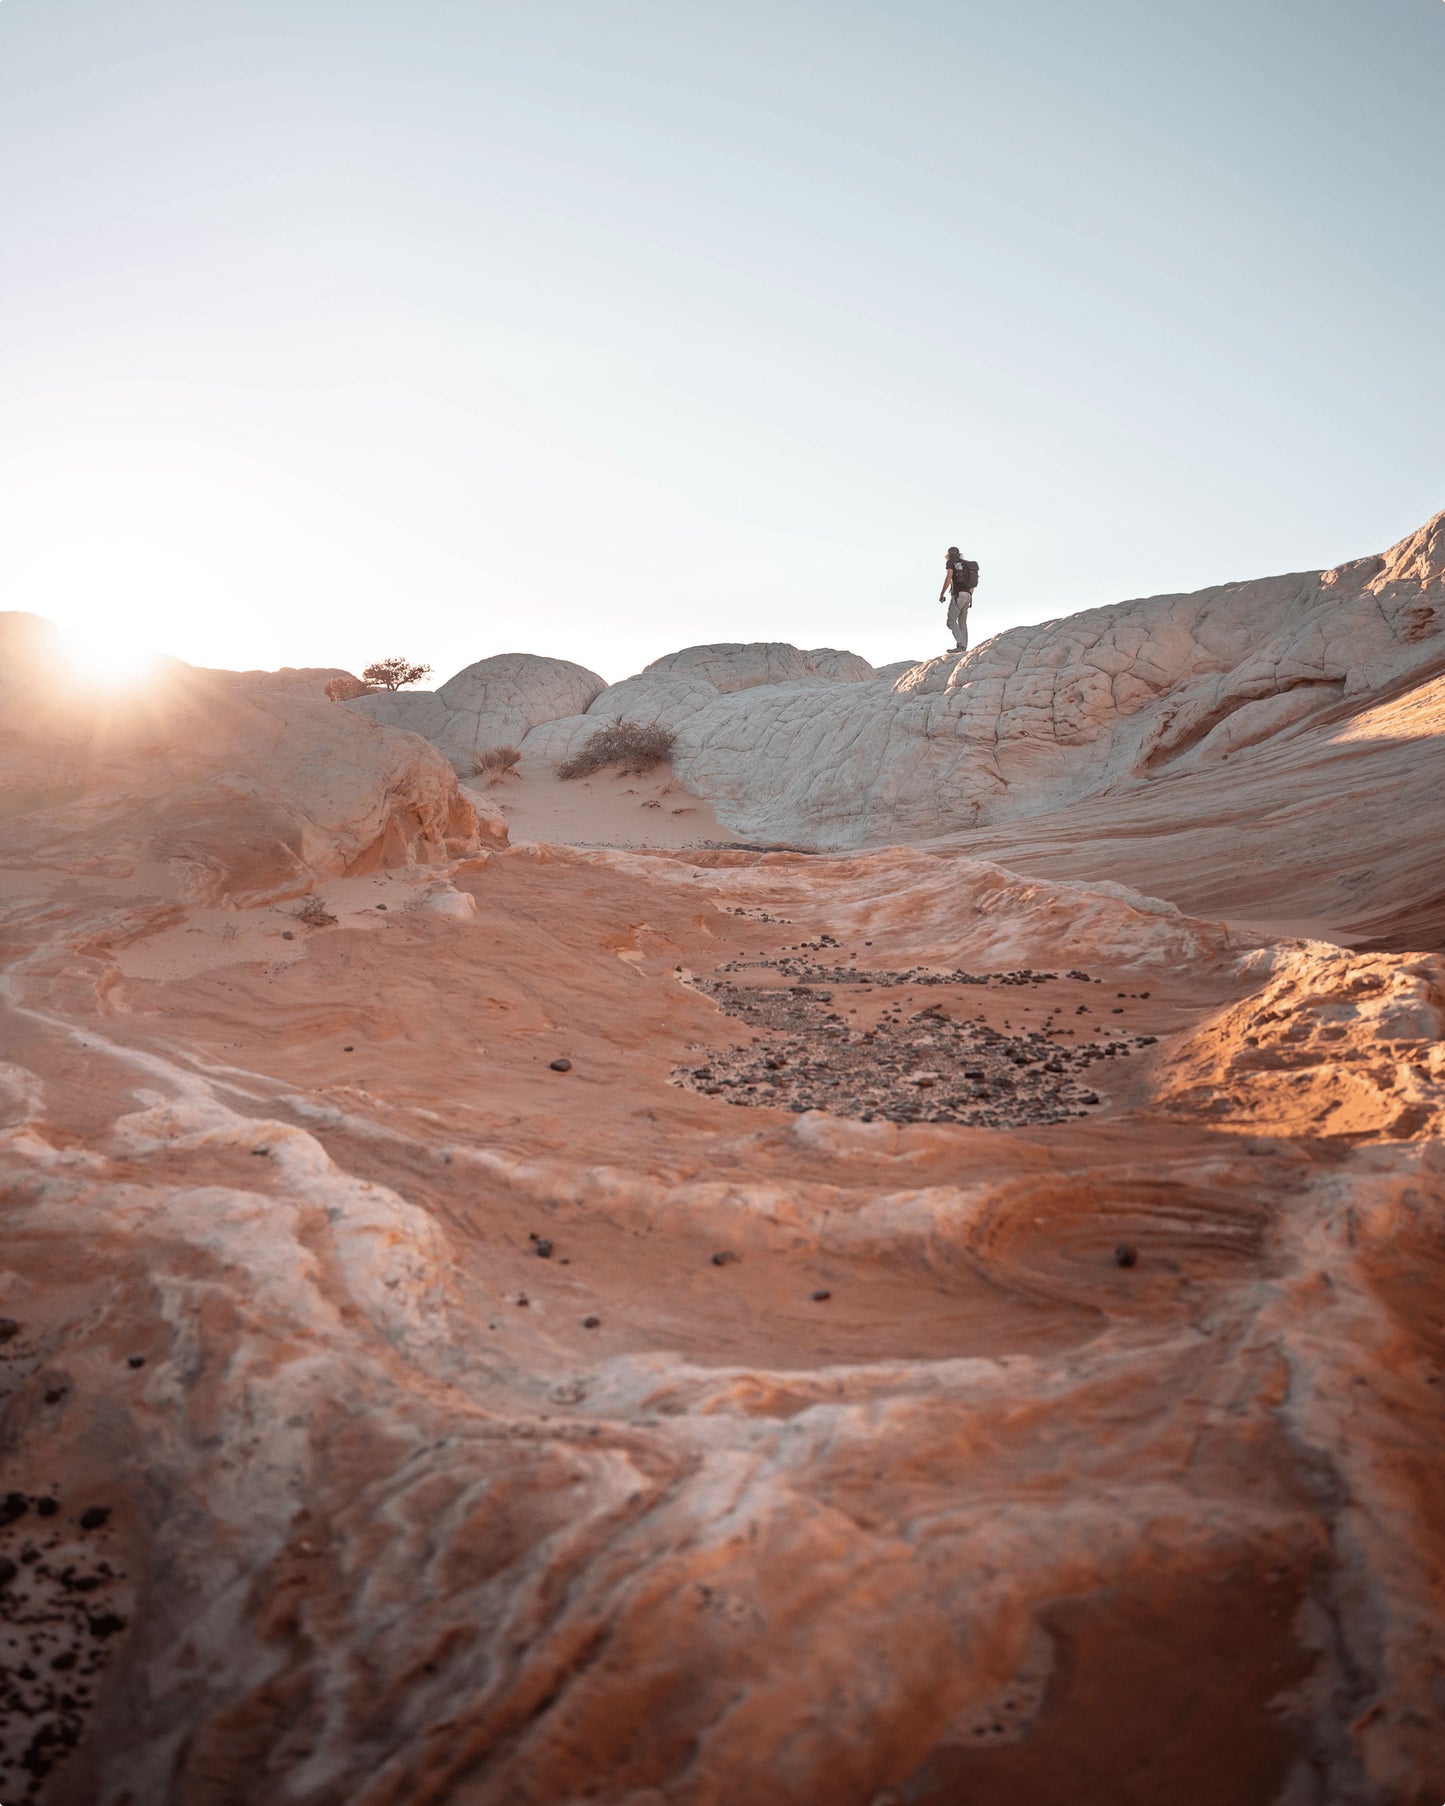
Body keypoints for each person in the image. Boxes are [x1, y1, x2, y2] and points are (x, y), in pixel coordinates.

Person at [940, 546, 978, 652]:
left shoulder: (951, 562)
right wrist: (969, 596)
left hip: (958, 595)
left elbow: (948, 577)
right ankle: (964, 647)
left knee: (951, 621)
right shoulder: (967, 565)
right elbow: (973, 582)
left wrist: (942, 593)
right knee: (962, 622)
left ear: (948, 554)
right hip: (968, 595)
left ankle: (960, 645)